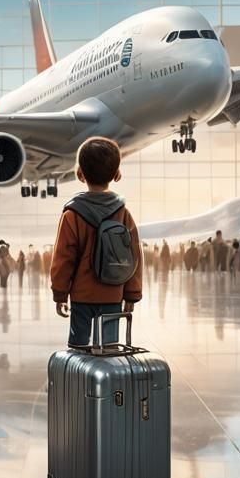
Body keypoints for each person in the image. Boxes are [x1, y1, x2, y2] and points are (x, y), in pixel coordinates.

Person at [51, 137, 142, 347]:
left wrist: (60, 294)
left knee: (79, 349)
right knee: (109, 349)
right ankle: (107, 379)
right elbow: (135, 256)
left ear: (80, 173)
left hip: (82, 297)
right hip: (113, 295)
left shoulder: (72, 215)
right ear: (117, 174)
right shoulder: (123, 213)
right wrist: (132, 294)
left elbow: (63, 258)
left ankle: (80, 379)